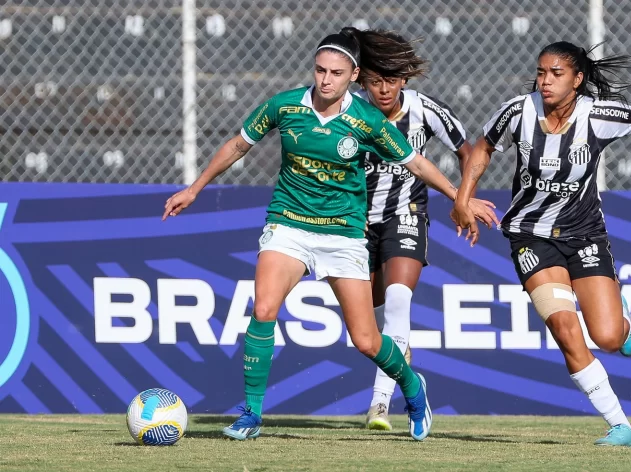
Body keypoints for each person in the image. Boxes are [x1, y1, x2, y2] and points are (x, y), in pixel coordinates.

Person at [163, 28, 497, 442]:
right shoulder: (284, 106)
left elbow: (417, 164)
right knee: (264, 309)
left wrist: (461, 199)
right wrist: (194, 188)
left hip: (342, 234)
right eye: (320, 70)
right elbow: (237, 146)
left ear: (353, 75)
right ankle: (251, 414)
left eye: (336, 73)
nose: (325, 80)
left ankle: (413, 386)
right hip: (289, 223)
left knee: (366, 340)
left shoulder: (367, 120)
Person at [451, 41, 631, 447]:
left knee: (608, 338)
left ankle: (622, 317)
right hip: (531, 237)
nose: (545, 81)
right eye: (541, 72)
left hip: (585, 235)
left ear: (577, 80)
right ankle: (620, 426)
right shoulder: (518, 111)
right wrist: (462, 198)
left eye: (556, 74)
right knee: (564, 327)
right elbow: (483, 147)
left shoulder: (598, 115)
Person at [350, 29, 477, 430]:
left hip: (407, 213)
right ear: (360, 79)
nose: (383, 89)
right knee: (372, 323)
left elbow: (466, 149)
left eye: (391, 80)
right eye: (373, 80)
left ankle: (380, 404)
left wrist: (463, 199)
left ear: (404, 78)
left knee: (399, 300)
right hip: (353, 221)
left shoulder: (426, 110)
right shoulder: (346, 108)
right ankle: (408, 376)